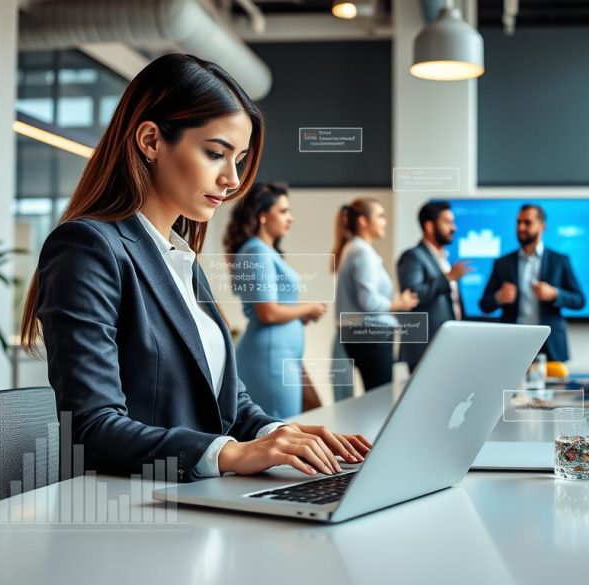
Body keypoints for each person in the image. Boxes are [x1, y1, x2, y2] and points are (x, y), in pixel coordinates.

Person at [19, 54, 369, 483]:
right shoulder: (88, 247)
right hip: (133, 513)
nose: (233, 179)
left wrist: (279, 434)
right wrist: (232, 455)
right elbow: (92, 429)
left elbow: (226, 402)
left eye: (238, 159)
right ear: (150, 140)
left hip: (194, 501)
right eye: (216, 154)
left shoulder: (179, 257)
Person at [224, 183, 326, 419]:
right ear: (262, 215)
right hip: (271, 357)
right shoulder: (257, 252)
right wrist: (308, 307)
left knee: (288, 426)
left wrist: (298, 314)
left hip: (281, 354)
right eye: (283, 211)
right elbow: (267, 312)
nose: (290, 218)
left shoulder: (264, 251)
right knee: (281, 425)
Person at [478, 203, 585, 362]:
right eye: (518, 222)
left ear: (542, 226)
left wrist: (554, 294)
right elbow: (484, 305)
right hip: (512, 346)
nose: (521, 227)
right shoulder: (502, 263)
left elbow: (580, 300)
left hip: (551, 347)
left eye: (527, 222)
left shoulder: (559, 261)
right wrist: (499, 297)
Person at [333, 198, 419, 391]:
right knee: (379, 399)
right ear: (363, 221)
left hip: (362, 334)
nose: (384, 222)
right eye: (380, 216)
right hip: (370, 334)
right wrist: (398, 303)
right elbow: (369, 301)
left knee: (375, 397)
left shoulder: (354, 248)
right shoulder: (362, 252)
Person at [396, 201, 471, 373]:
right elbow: (412, 295)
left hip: (450, 346)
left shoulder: (444, 258)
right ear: (429, 226)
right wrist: (448, 278)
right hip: (426, 349)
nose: (454, 228)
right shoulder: (413, 257)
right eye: (447, 222)